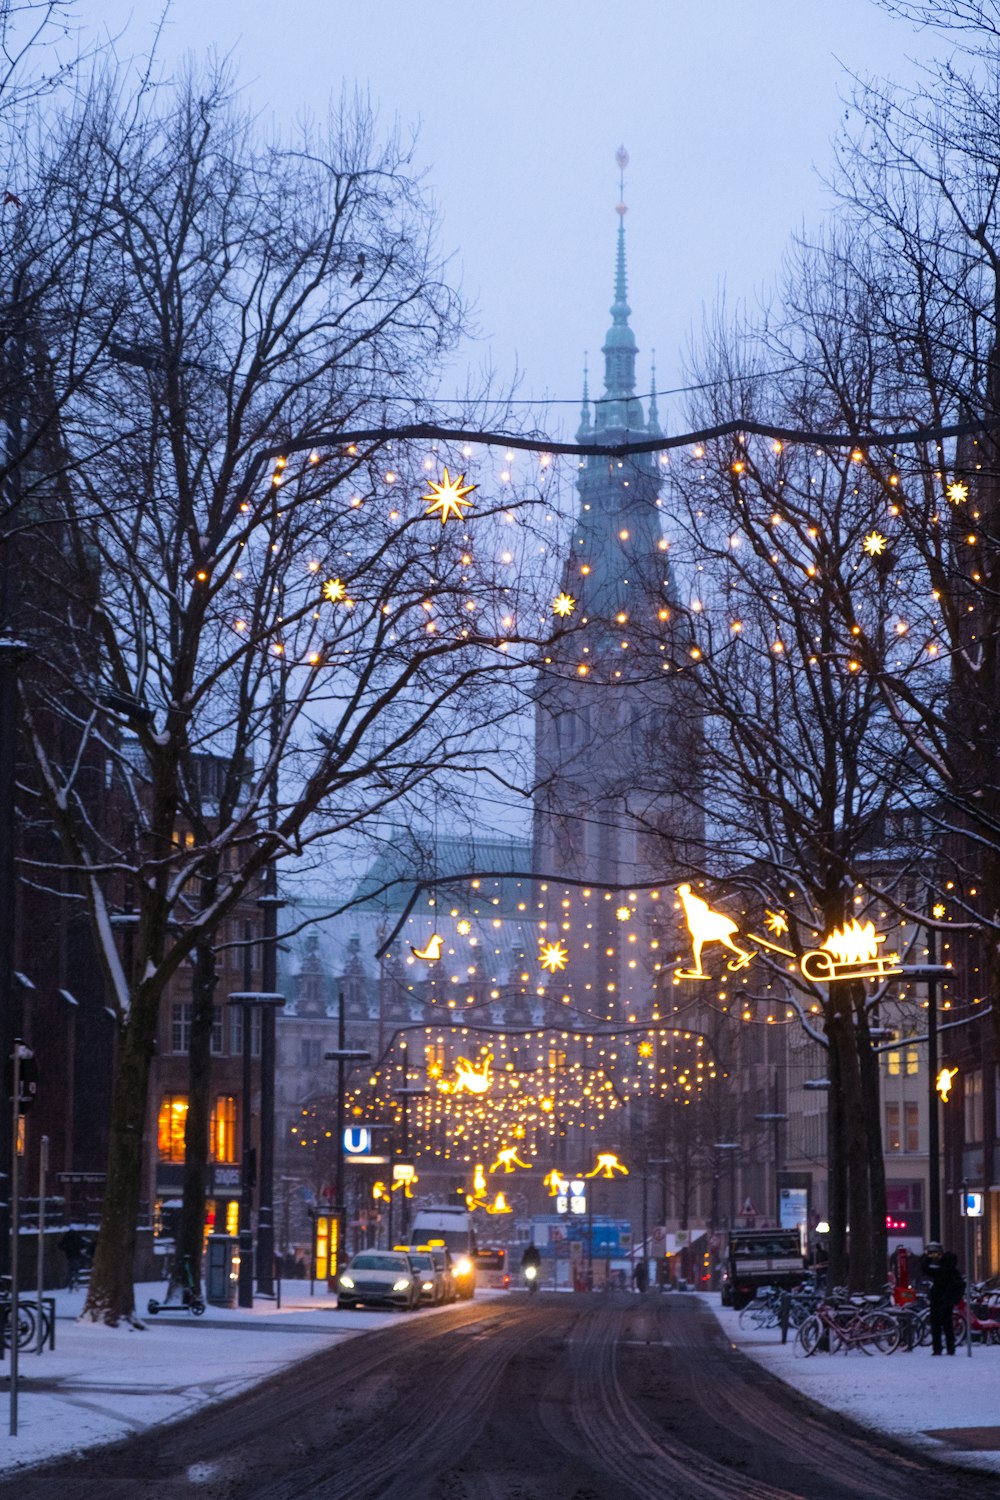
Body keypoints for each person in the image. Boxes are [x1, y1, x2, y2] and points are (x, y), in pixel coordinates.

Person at [921, 1241, 964, 1355]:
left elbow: (925, 1268)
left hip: (937, 1299)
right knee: (948, 1325)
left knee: (936, 1326)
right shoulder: (953, 1272)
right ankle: (950, 1348)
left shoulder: (939, 1271)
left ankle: (937, 1348)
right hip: (947, 1301)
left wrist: (928, 1257)